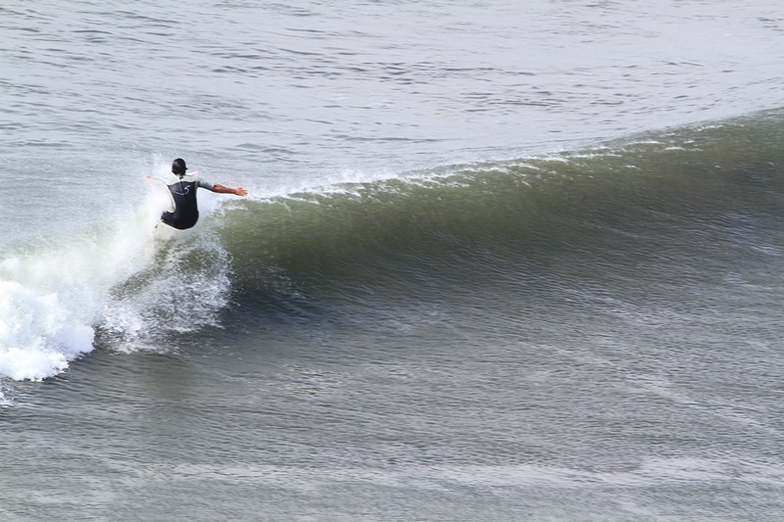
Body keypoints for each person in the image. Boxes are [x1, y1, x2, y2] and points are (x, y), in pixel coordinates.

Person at [159, 158, 247, 230]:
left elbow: (157, 183)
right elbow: (215, 187)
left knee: (158, 214)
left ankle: (152, 235)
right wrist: (234, 191)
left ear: (172, 171)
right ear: (185, 170)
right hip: (193, 220)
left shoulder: (166, 183)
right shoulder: (196, 180)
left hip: (177, 222)